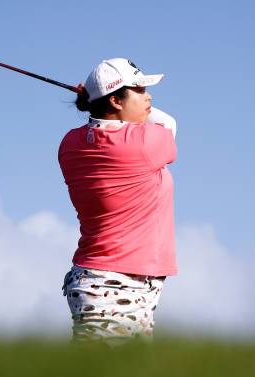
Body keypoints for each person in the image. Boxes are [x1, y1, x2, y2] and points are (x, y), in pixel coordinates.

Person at [58, 58, 177, 346]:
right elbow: (168, 122)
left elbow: (111, 122)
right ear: (115, 100)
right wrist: (93, 98)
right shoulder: (145, 143)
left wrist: (96, 101)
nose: (148, 96)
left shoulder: (70, 144)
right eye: (138, 89)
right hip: (116, 286)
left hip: (100, 281)